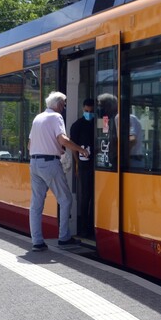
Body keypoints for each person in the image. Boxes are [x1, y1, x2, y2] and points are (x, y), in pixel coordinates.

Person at [27, 91, 88, 251]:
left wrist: (49, 148)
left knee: (36, 204)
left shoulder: (38, 118)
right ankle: (64, 237)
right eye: (64, 104)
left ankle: (37, 242)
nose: (64, 107)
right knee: (66, 199)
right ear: (59, 104)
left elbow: (29, 144)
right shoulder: (56, 117)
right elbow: (62, 139)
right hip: (49, 163)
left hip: (34, 163)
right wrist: (80, 150)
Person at [68, 98, 95, 238]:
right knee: (86, 196)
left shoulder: (99, 123)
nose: (89, 113)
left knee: (95, 196)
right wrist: (77, 163)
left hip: (98, 165)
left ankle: (92, 225)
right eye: (86, 111)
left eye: (91, 111)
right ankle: (85, 228)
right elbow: (73, 147)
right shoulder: (77, 125)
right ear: (82, 109)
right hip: (84, 165)